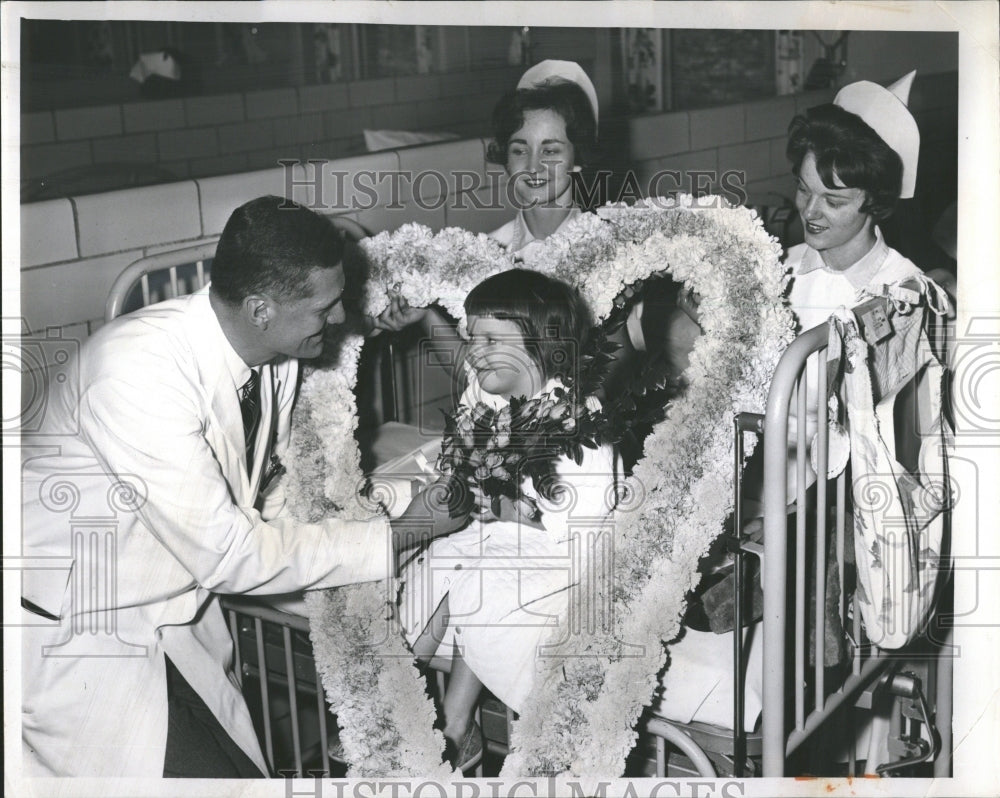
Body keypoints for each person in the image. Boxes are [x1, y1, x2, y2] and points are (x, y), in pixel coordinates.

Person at [20, 196, 464, 778]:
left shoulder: (272, 355)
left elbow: (263, 486)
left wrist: (374, 538)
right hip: (81, 628)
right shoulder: (136, 375)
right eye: (326, 307)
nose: (340, 320)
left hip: (172, 609)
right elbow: (229, 553)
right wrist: (398, 536)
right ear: (260, 309)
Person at [397, 270, 619, 770]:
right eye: (472, 335)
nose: (474, 349)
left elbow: (580, 530)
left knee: (483, 581)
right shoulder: (485, 396)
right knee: (441, 562)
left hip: (559, 558)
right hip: (494, 537)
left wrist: (500, 507)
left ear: (542, 345)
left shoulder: (580, 419)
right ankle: (398, 707)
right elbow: (465, 464)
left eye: (492, 339)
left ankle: (452, 724)